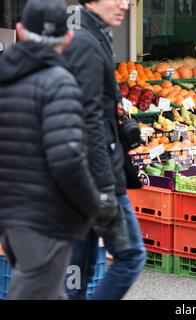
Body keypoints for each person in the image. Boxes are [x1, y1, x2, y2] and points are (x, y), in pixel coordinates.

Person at [0, 0, 101, 300]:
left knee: (46, 290)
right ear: (68, 37)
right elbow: (67, 160)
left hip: (10, 213)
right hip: (45, 216)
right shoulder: (60, 83)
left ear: (20, 30)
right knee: (33, 290)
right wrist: (92, 205)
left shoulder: (5, 77)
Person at [64, 0, 146, 300]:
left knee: (78, 269)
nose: (126, 4)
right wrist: (103, 186)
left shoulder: (88, 33)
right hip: (98, 177)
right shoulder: (85, 41)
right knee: (131, 256)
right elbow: (86, 120)